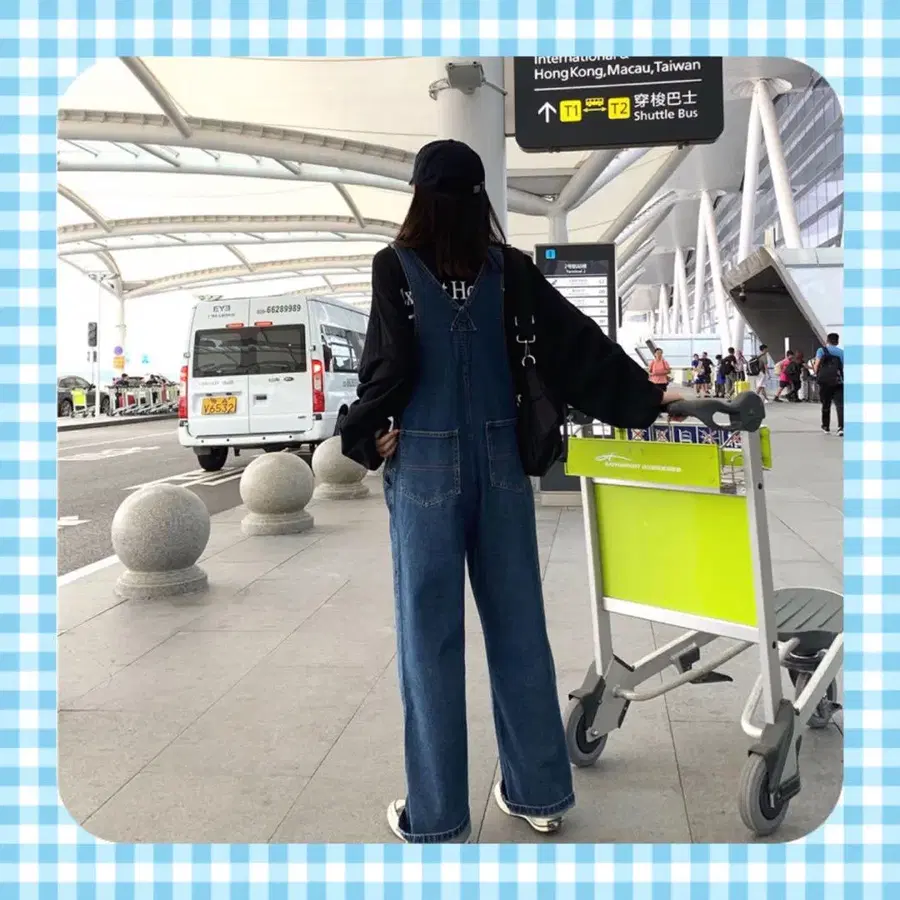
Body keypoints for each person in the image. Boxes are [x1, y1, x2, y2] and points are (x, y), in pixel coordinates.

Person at [338, 139, 683, 844]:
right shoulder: (512, 272)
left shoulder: (394, 268)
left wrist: (366, 433)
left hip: (424, 466)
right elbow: (576, 346)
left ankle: (437, 816)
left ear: (418, 197)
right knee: (520, 628)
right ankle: (540, 793)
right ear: (480, 200)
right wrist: (651, 398)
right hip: (501, 464)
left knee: (429, 639)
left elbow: (385, 366)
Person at [815, 332, 844, 436]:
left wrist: (818, 374)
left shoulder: (821, 350)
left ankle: (826, 427)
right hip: (838, 381)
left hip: (825, 382)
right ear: (837, 341)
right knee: (840, 405)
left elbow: (817, 365)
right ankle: (841, 428)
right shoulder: (841, 352)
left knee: (826, 404)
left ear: (827, 340)